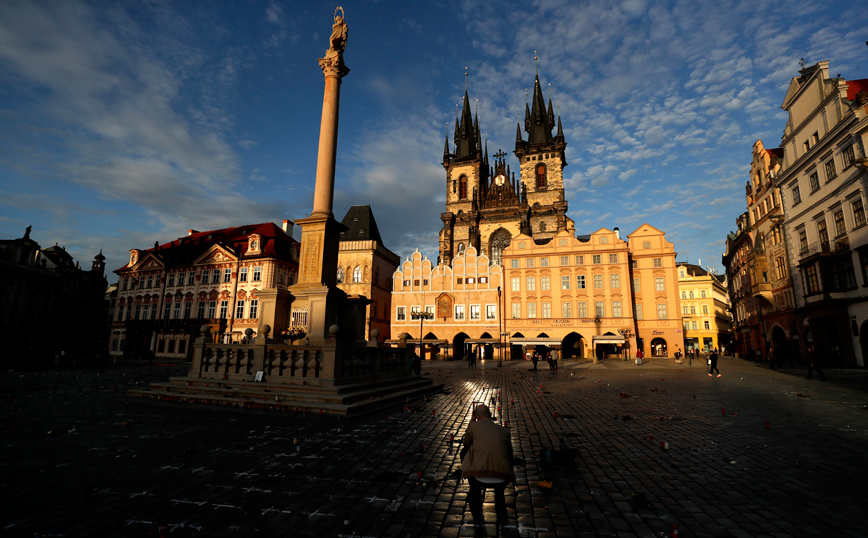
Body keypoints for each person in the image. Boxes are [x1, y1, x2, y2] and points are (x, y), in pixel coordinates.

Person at [461, 404, 514, 526]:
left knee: (464, 452)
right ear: (490, 415)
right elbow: (510, 456)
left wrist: (471, 423)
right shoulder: (504, 431)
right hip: (502, 477)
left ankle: (474, 492)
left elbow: (466, 444)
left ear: (476, 416)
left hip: (479, 476)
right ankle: (499, 496)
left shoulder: (474, 427)